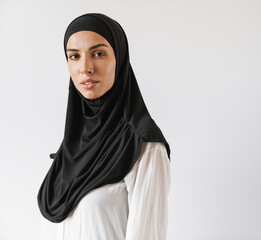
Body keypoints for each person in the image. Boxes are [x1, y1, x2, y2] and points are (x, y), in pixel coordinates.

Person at [37, 13, 171, 240]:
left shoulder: (144, 147)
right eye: (74, 56)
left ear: (119, 58)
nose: (85, 68)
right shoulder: (69, 150)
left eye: (98, 54)